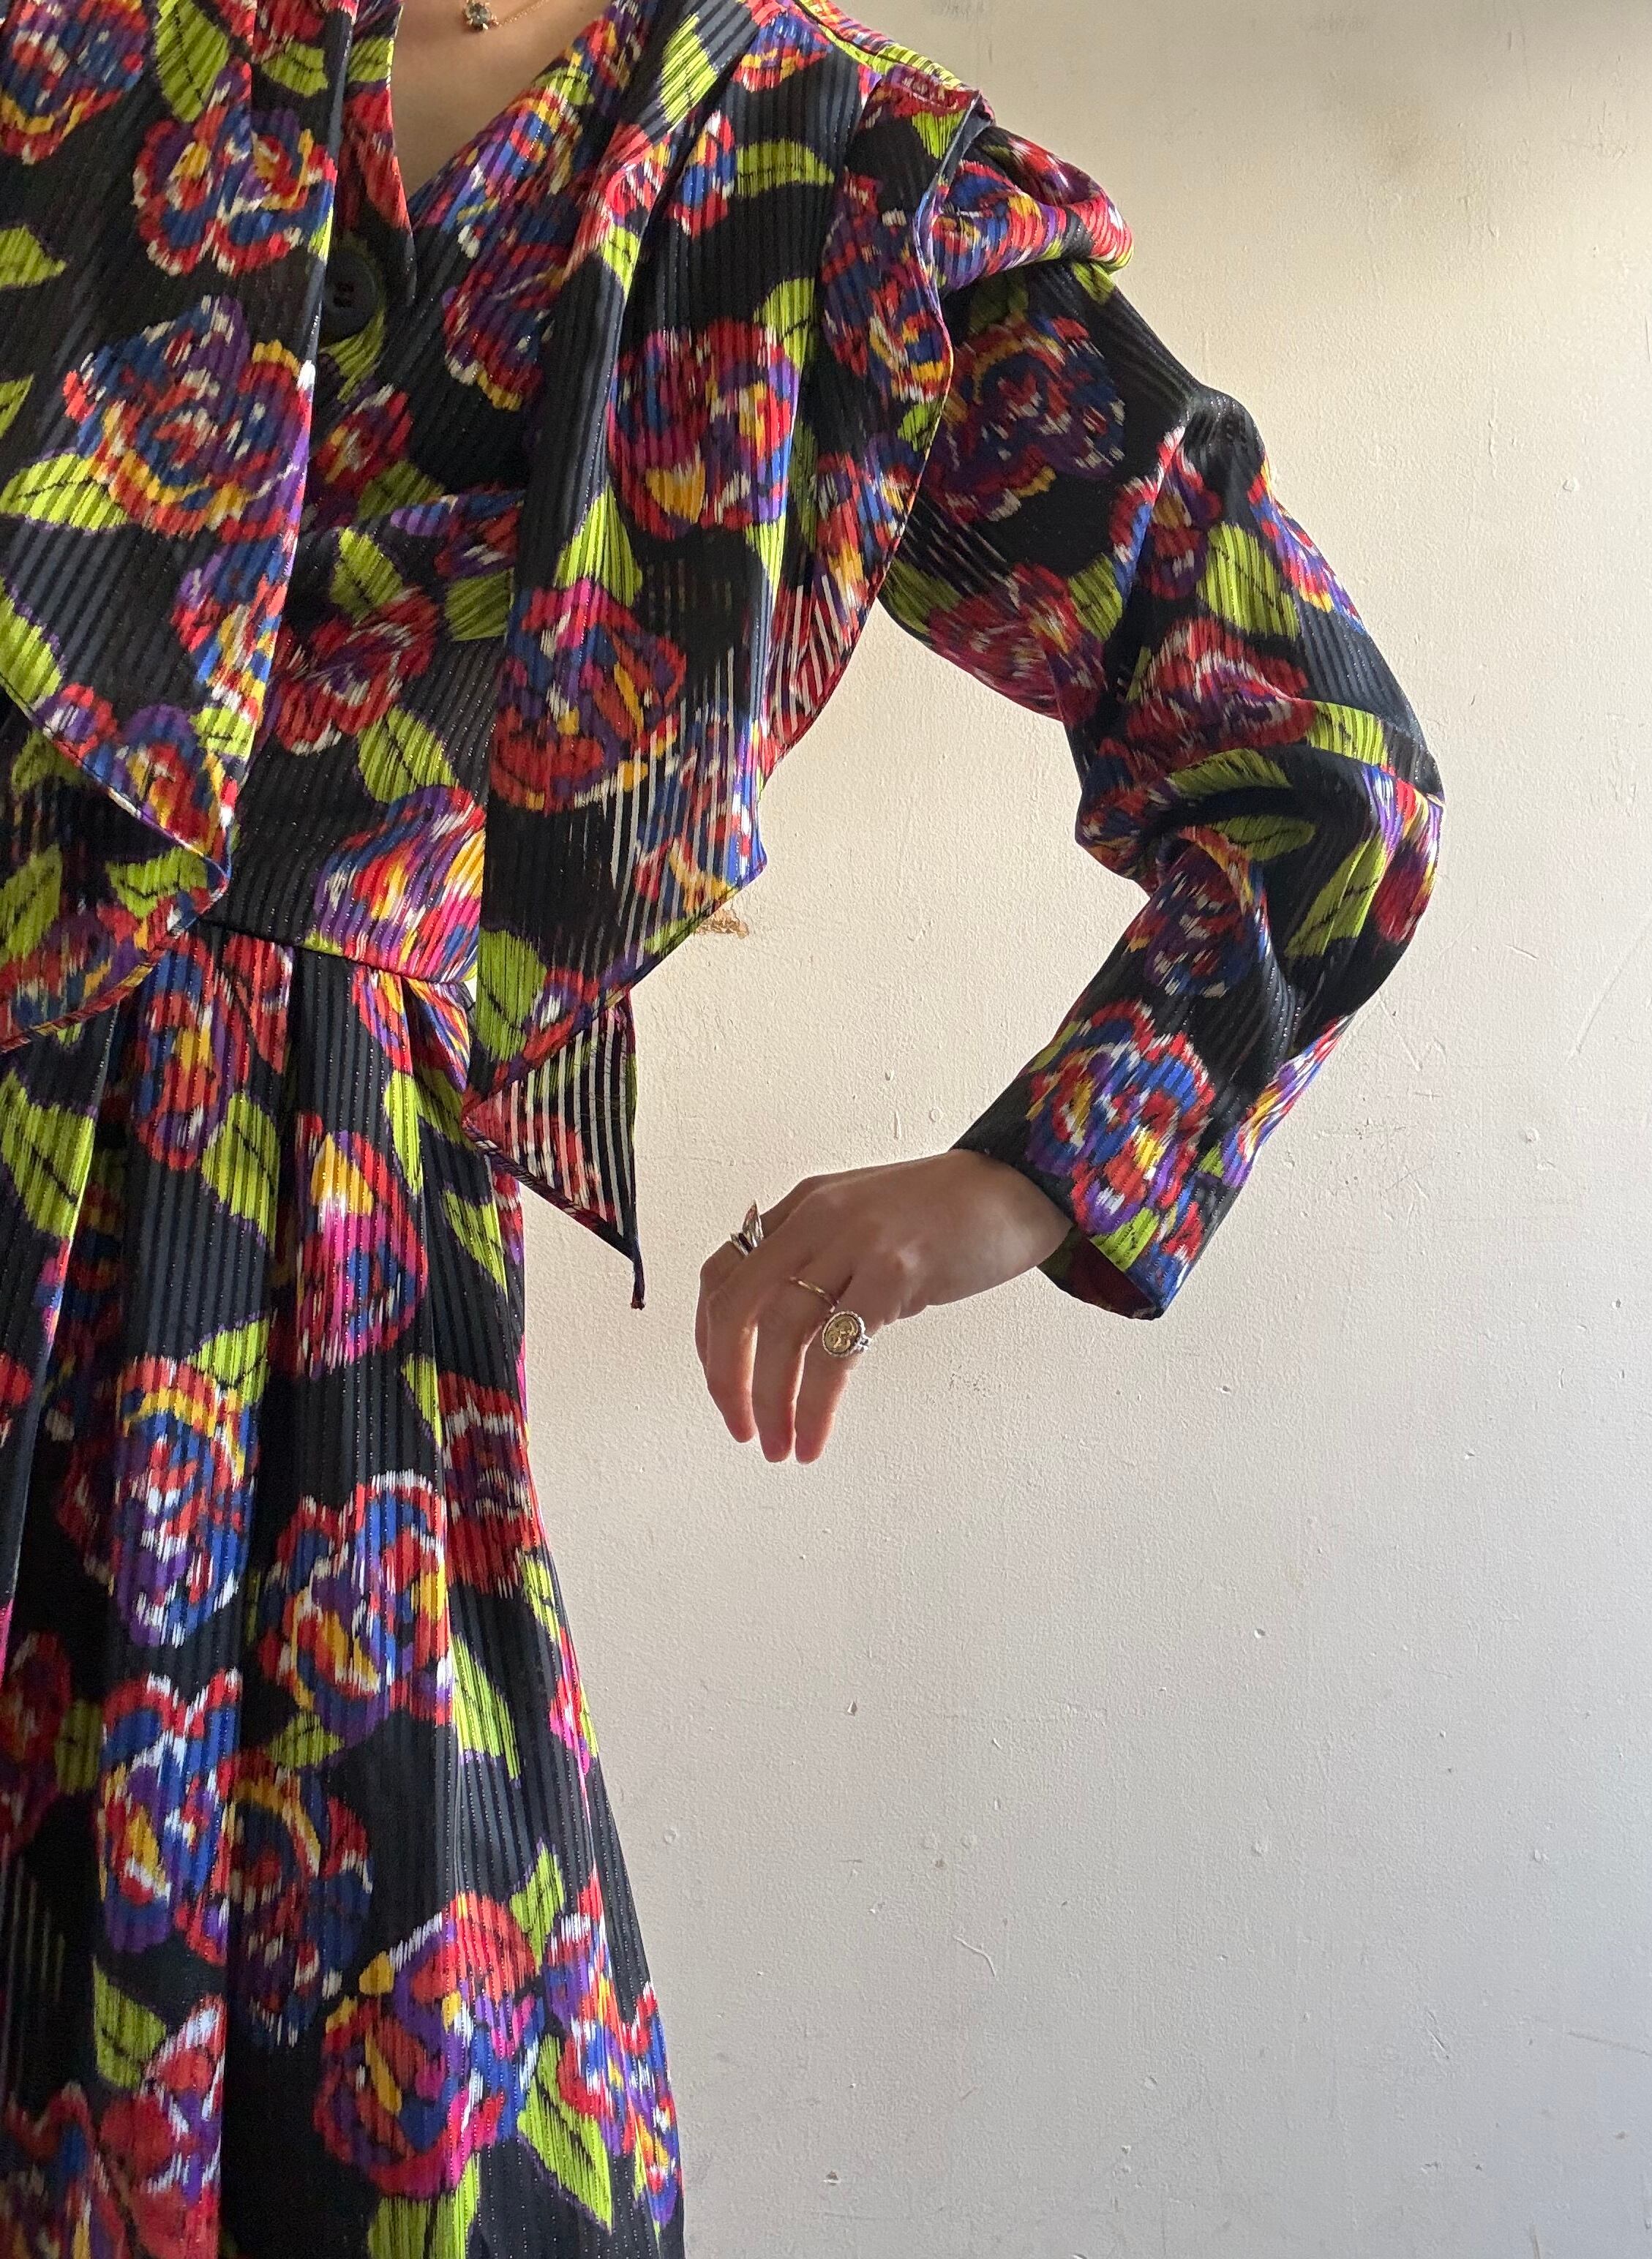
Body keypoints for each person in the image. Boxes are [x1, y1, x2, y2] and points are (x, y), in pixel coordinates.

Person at [0, 0, 1443, 2249]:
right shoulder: (78, 60)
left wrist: (1034, 1173)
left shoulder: (819, 170)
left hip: (304, 1281)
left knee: (399, 2096)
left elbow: (1322, 769)